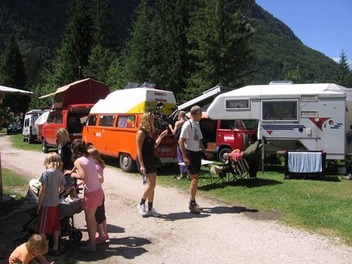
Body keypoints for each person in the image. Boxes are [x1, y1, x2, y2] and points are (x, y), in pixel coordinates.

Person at [70, 139, 103, 252]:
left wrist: (73, 174)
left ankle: (92, 246)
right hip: (98, 191)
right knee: (92, 217)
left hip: (91, 193)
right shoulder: (89, 157)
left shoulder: (78, 161)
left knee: (89, 219)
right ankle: (93, 241)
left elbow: (83, 176)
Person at [178, 105, 212, 214]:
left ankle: (193, 201)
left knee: (196, 178)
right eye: (200, 113)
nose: (201, 115)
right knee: (195, 178)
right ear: (195, 114)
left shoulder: (196, 124)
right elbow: (180, 141)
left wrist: (205, 152)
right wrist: (184, 156)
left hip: (196, 153)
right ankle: (192, 203)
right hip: (189, 154)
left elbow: (199, 141)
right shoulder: (187, 125)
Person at [136, 112, 168, 217]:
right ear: (147, 120)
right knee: (150, 185)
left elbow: (154, 146)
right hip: (144, 161)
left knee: (153, 185)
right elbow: (138, 150)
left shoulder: (149, 133)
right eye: (152, 119)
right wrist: (141, 165)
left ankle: (150, 208)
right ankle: (141, 204)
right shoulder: (141, 133)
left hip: (151, 159)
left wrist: (161, 136)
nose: (153, 121)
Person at [37, 152, 65, 256]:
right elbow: (62, 188)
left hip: (46, 204)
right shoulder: (60, 173)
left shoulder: (46, 173)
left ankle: (44, 249)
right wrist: (56, 193)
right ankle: (55, 247)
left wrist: (39, 205)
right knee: (56, 227)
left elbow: (42, 190)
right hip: (55, 203)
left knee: (42, 228)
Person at [87, 146, 109, 245]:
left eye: (89, 156)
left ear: (93, 157)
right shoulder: (99, 165)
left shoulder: (95, 167)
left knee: (98, 215)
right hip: (101, 193)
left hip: (96, 192)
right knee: (102, 214)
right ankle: (105, 233)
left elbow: (101, 178)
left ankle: (101, 236)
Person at [55, 128, 77, 199]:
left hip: (67, 175)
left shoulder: (67, 148)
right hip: (69, 174)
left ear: (62, 137)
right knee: (73, 195)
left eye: (58, 137)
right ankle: (78, 207)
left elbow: (67, 161)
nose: (56, 138)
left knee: (61, 194)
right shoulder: (67, 146)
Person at [168, 110, 188, 180]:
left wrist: (170, 127)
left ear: (180, 115)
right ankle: (188, 173)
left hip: (179, 142)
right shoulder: (187, 122)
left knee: (180, 158)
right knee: (186, 156)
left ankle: (182, 173)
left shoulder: (178, 123)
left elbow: (174, 132)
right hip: (186, 141)